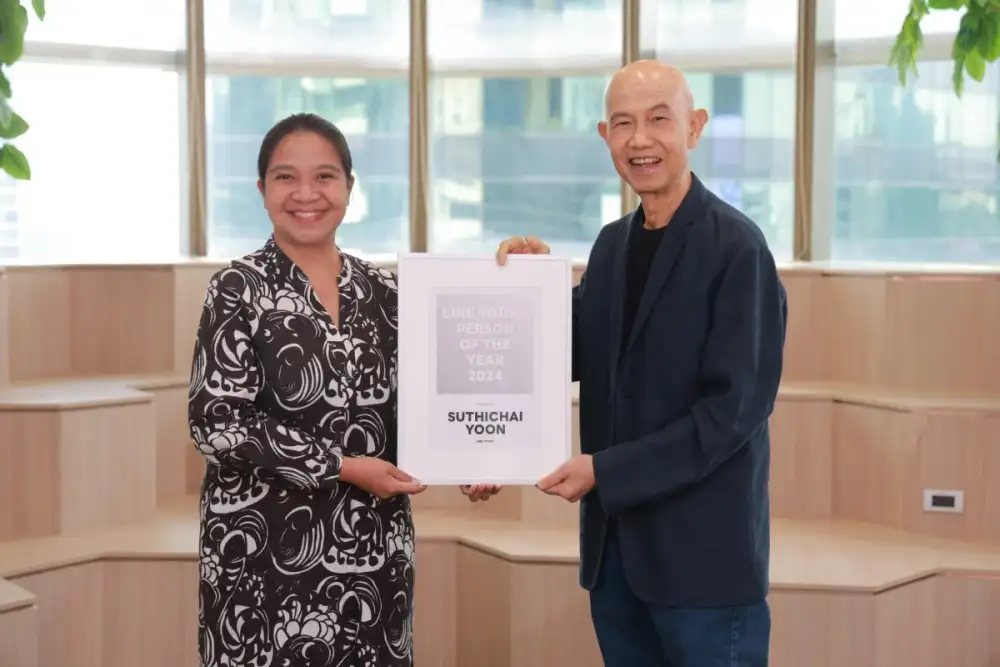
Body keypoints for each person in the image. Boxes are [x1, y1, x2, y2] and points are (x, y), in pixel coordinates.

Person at [496, 61, 787, 666]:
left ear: (694, 127)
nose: (640, 140)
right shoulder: (611, 245)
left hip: (704, 568)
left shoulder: (738, 248)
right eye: (623, 124)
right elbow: (566, 352)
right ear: (605, 137)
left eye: (659, 119)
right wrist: (530, 289)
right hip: (616, 562)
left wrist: (605, 470)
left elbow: (731, 415)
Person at [188, 112, 500, 667]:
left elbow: (423, 405)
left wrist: (470, 454)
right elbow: (217, 424)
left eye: (325, 176)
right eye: (286, 177)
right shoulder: (236, 288)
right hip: (262, 558)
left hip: (373, 557)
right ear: (261, 190)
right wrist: (343, 467)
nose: (306, 193)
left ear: (350, 187)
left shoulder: (386, 291)